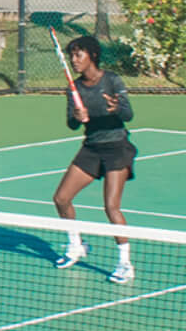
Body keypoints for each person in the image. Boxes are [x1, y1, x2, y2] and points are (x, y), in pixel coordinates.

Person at [52, 35, 135, 284]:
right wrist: (77, 117)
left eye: (79, 55)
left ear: (93, 55)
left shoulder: (111, 80)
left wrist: (116, 108)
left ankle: (125, 264)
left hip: (116, 148)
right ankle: (75, 245)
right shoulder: (74, 88)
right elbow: (71, 124)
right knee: (61, 198)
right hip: (91, 148)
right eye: (72, 55)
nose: (74, 60)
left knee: (111, 207)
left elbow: (128, 114)